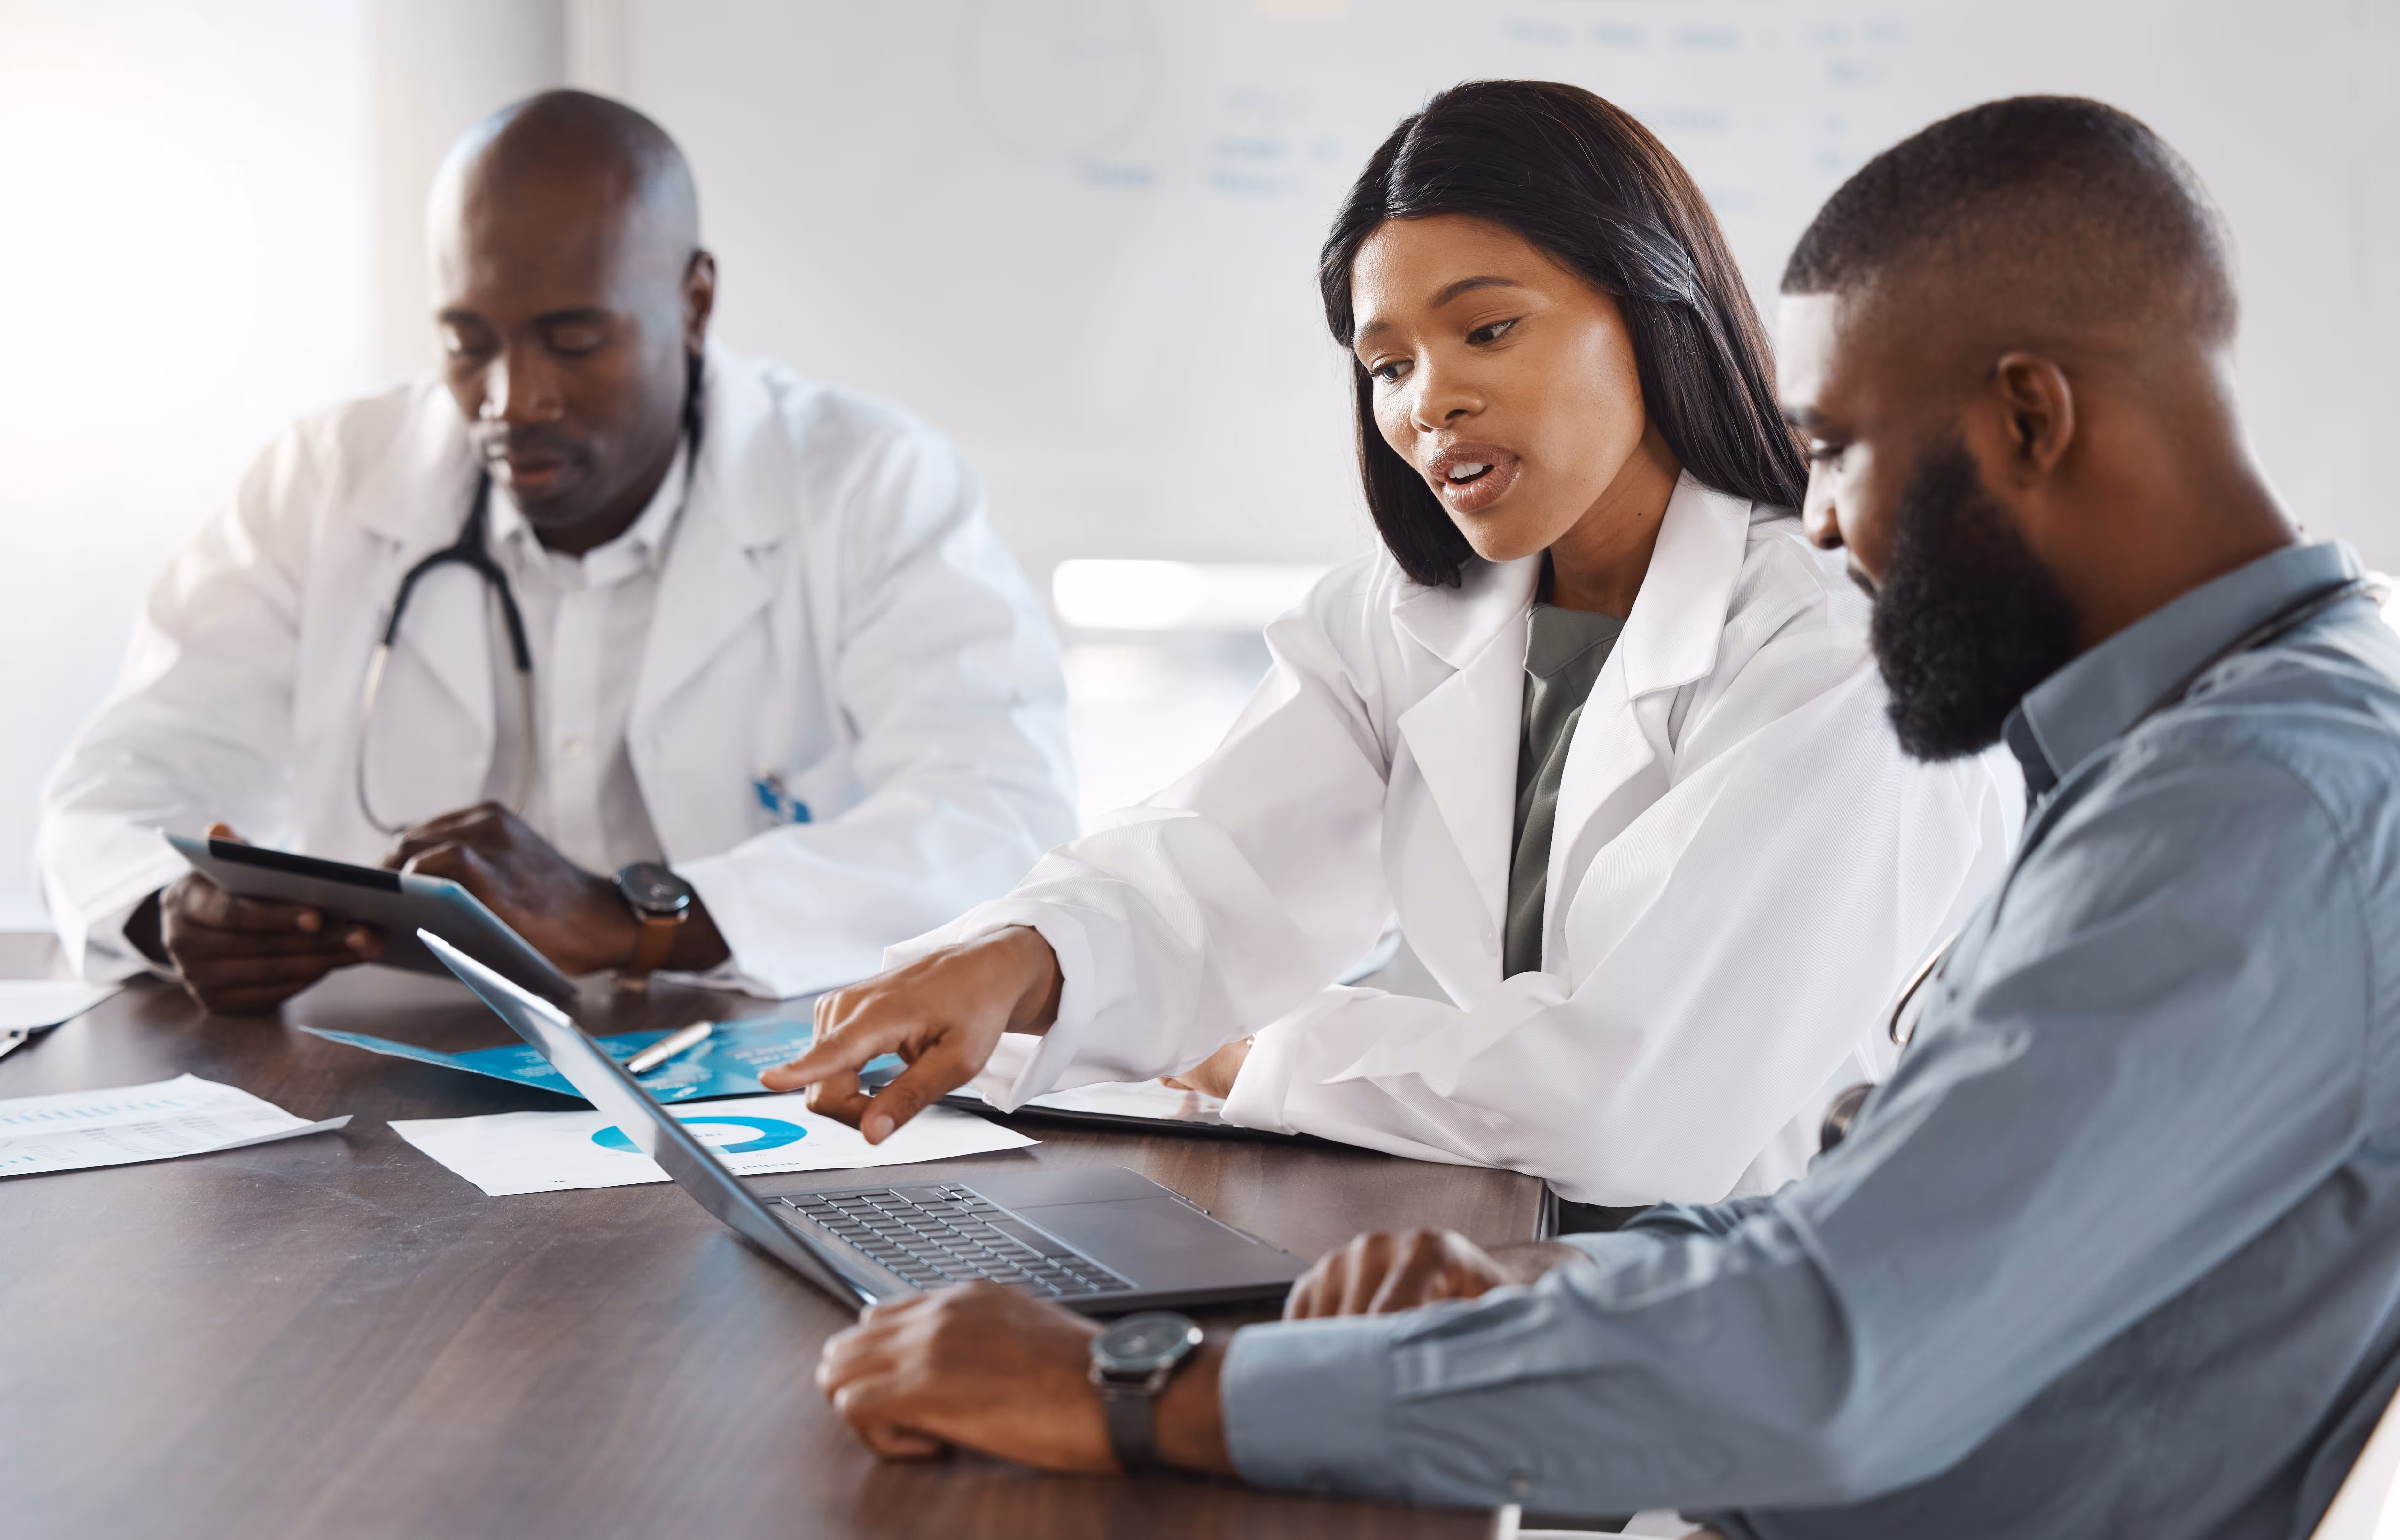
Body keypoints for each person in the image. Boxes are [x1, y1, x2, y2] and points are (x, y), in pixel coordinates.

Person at [805, 95, 2400, 1539]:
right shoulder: (2190, 747)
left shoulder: (2255, 803)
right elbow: (1887, 1240)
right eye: (1384, 364)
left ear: (2029, 419)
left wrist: (1142, 1390)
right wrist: (1546, 1294)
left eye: (1836, 450)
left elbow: (1832, 1349)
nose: (1826, 521)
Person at [767, 81, 2015, 1222]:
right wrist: (1020, 957)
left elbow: (1626, 1101)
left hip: (1790, 1300)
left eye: (1485, 332)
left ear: (1650, 306)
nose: (1428, 401)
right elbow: (1216, 863)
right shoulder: (1415, 611)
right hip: (1525, 1241)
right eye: (1386, 363)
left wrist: (1252, 1055)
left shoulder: (1843, 648)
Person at [35, 91, 1076, 1013]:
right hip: (390, 1074)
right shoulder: (327, 477)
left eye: (574, 342)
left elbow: (997, 816)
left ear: (695, 301)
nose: (512, 400)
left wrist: (639, 917)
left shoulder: (869, 481)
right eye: (468, 342)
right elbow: (117, 792)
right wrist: (174, 914)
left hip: (762, 1078)